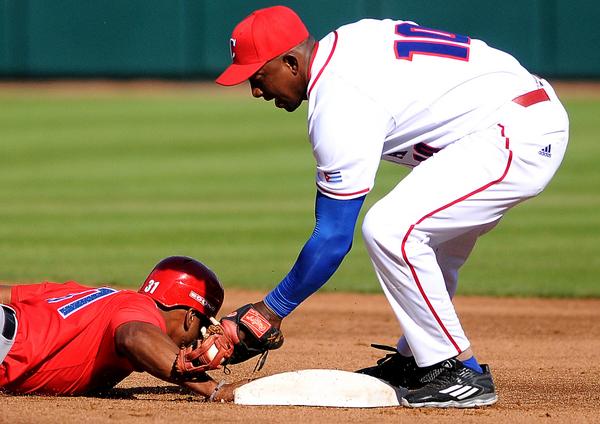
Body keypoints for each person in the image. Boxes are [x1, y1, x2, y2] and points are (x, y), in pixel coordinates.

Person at [215, 5, 569, 408]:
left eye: (258, 77)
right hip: (510, 117)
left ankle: (456, 370)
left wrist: (270, 311)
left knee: (390, 230)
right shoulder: (350, 39)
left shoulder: (339, 100)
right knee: (428, 244)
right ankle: (417, 358)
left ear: (292, 62)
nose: (256, 91)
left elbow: (332, 237)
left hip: (515, 132)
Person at [0, 256, 240, 401]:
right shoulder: (140, 312)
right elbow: (133, 337)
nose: (195, 341)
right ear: (190, 317)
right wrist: (213, 388)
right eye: (201, 327)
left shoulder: (96, 295)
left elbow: (7, 294)